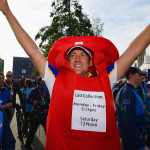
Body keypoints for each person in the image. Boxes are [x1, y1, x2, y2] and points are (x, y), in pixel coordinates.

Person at [0, 1, 150, 149]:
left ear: (91, 62)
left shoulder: (106, 78)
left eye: (83, 55)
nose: (77, 58)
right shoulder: (55, 78)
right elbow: (32, 50)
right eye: (72, 55)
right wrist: (7, 11)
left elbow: (133, 51)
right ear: (67, 61)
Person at [116, 67, 150, 150]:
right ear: (132, 75)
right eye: (140, 75)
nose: (142, 77)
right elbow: (128, 121)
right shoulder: (127, 93)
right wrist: (141, 145)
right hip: (132, 141)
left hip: (138, 135)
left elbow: (137, 110)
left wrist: (147, 115)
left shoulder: (133, 90)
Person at [25, 77, 49, 150]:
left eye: (43, 81)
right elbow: (27, 99)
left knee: (48, 132)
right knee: (32, 131)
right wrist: (33, 102)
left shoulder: (45, 91)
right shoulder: (34, 90)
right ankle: (27, 146)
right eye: (40, 81)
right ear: (38, 82)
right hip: (36, 114)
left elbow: (48, 100)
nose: (42, 82)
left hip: (44, 114)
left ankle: (50, 145)